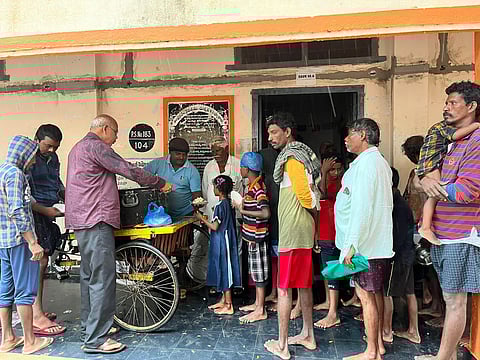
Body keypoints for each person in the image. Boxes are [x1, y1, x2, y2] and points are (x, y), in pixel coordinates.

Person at [65, 114, 171, 354]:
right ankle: (95, 340)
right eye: (115, 133)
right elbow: (128, 169)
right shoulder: (97, 147)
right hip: (97, 219)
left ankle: (89, 328)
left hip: (82, 221)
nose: (115, 139)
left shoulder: (77, 148)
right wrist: (159, 183)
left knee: (89, 278)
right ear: (104, 129)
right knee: (103, 279)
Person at [415, 81, 480, 360]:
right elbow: (427, 179)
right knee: (449, 298)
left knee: (455, 302)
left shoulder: (476, 141)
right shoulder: (454, 141)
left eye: (453, 102)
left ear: (472, 107)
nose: (447, 107)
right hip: (443, 234)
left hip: (461, 235)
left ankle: (443, 359)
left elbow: (468, 190)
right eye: (447, 103)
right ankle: (449, 356)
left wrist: (431, 186)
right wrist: (428, 184)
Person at [263, 112, 321, 360]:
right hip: (303, 231)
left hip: (293, 230)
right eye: (268, 133)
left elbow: (306, 196)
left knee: (284, 289)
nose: (270, 138)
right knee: (304, 285)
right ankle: (308, 335)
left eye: (274, 132)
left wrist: (314, 208)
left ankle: (283, 345)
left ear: (287, 132)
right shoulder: (302, 155)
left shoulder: (292, 159)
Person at [335, 118, 394, 360]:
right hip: (373, 243)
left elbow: (361, 209)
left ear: (363, 135)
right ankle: (378, 344)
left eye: (350, 134)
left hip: (364, 246)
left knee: (366, 297)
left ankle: (371, 352)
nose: (346, 140)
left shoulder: (367, 165)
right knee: (374, 294)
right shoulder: (377, 163)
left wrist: (351, 246)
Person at [0, 135, 54, 354]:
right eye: (32, 157)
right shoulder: (15, 174)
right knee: (25, 291)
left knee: (5, 290)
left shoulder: (2, 170)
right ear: (24, 155)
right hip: (19, 240)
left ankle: (8, 338)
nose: (33, 162)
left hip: (3, 241)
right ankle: (30, 341)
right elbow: (17, 210)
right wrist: (32, 242)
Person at [416, 117, 479, 245]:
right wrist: (476, 125)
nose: (447, 108)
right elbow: (455, 135)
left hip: (429, 163)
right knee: (435, 193)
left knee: (433, 194)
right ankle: (426, 227)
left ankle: (426, 226)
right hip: (430, 163)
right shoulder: (442, 128)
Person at [28, 124, 66, 336]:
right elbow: (25, 196)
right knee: (38, 262)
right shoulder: (29, 160)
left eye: (56, 147)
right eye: (48, 146)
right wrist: (45, 210)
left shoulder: (54, 158)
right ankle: (35, 315)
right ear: (36, 139)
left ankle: (37, 309)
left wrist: (68, 196)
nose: (52, 151)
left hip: (49, 212)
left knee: (43, 262)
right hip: (35, 212)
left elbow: (56, 183)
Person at [383, 167, 420, 345]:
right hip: (408, 252)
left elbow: (394, 234)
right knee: (409, 292)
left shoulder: (394, 204)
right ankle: (414, 331)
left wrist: (388, 254)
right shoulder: (402, 202)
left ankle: (386, 331)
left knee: (387, 293)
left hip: (397, 255)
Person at [194, 175, 241, 315]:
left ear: (219, 189)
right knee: (222, 268)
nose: (213, 189)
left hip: (222, 240)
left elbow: (215, 227)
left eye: (214, 186)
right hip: (224, 239)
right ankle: (223, 299)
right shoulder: (228, 203)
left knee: (225, 270)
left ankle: (228, 304)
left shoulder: (220, 206)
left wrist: (201, 218)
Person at [237, 152, 271, 323]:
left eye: (241, 166)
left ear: (247, 169)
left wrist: (243, 211)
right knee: (255, 272)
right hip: (251, 237)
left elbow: (265, 212)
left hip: (257, 237)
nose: (240, 169)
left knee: (259, 274)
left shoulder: (257, 189)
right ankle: (258, 304)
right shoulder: (252, 186)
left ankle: (261, 309)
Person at [314, 154, 344, 329]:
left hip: (336, 234)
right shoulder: (323, 182)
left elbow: (325, 193)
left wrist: (324, 173)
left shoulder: (341, 185)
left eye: (338, 169)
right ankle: (328, 302)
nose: (335, 172)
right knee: (327, 270)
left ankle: (333, 312)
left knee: (334, 271)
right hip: (324, 233)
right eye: (332, 169)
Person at [145, 137, 202, 218]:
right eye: (178, 154)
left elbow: (196, 196)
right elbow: (143, 177)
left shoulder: (192, 171)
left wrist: (196, 212)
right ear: (170, 152)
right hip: (161, 213)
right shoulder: (158, 163)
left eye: (184, 155)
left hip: (185, 214)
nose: (181, 157)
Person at [258, 146, 280, 308]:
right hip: (272, 227)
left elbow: (272, 205)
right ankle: (274, 291)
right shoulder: (267, 180)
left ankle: (279, 293)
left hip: (277, 226)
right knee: (274, 261)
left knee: (279, 261)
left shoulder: (273, 181)